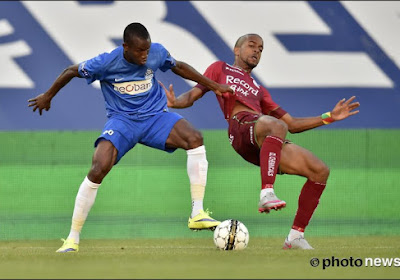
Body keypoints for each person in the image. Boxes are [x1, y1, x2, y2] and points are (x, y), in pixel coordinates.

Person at [28, 22, 233, 253]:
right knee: (99, 166)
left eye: (147, 50)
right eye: (139, 51)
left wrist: (214, 86)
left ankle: (197, 213)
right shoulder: (106, 62)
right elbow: (70, 71)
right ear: (126, 47)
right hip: (122, 122)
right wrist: (48, 95)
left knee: (194, 138)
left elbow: (179, 66)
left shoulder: (155, 52)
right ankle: (72, 239)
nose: (145, 55)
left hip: (155, 116)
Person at [161, 33, 360, 250]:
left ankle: (295, 237)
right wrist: (176, 102)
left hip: (263, 136)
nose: (257, 50)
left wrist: (329, 116)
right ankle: (266, 192)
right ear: (237, 50)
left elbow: (291, 123)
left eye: (261, 49)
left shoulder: (259, 90)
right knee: (276, 125)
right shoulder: (220, 69)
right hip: (240, 127)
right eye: (252, 45)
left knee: (319, 170)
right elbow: (192, 95)